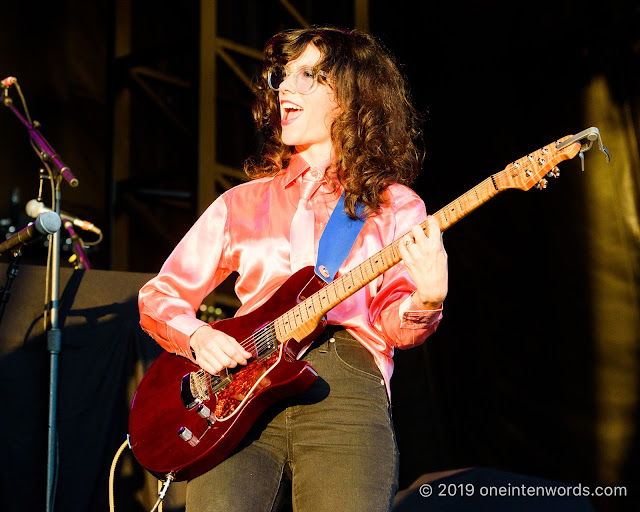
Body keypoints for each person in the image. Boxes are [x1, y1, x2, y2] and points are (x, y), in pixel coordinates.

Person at [138, 26, 448, 512]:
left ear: (350, 94)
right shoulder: (242, 202)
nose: (284, 86)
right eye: (283, 76)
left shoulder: (395, 206)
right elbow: (161, 294)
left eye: (308, 75)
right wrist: (198, 337)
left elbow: (394, 324)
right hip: (235, 387)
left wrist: (426, 300)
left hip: (341, 389)